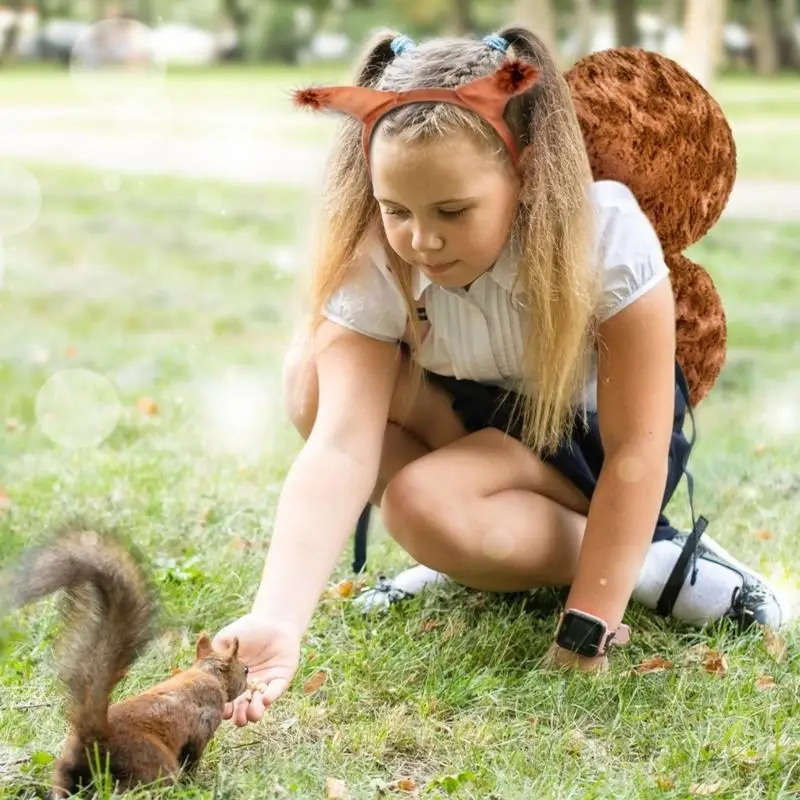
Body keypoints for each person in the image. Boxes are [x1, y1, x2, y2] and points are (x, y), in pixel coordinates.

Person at [213, 27, 784, 727]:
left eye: (452, 211)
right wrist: (278, 616)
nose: (422, 239)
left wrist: (587, 626)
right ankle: (486, 557)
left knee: (425, 506)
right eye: (398, 210)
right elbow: (338, 447)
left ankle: (650, 563)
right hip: (480, 416)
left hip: (589, 449)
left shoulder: (601, 233)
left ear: (528, 168)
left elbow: (638, 450)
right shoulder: (377, 252)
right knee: (311, 378)